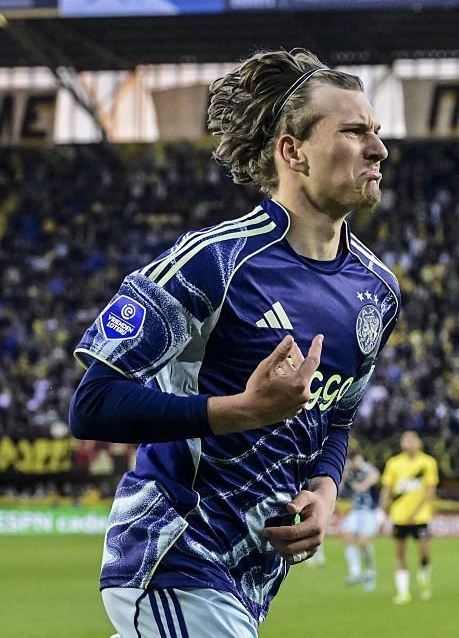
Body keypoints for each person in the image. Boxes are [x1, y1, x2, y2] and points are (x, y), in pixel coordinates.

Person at [68, 48, 401, 637]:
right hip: (174, 552)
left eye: (375, 131)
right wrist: (242, 410)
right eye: (353, 131)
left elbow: (338, 417)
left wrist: (325, 491)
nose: (378, 148)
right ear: (292, 151)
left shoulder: (378, 291)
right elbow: (92, 404)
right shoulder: (213, 262)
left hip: (249, 579)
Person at [379, 430, 439, 605]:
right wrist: (383, 509)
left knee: (424, 551)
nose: (409, 444)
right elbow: (387, 488)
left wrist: (416, 512)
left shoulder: (427, 462)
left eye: (412, 440)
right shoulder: (394, 463)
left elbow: (430, 491)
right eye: (406, 441)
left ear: (419, 442)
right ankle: (403, 592)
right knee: (400, 553)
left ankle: (424, 573)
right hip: (399, 516)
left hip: (420, 516)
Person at [339, 450, 382, 591]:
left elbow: (374, 477)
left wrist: (361, 484)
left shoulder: (368, 469)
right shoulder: (349, 471)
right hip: (356, 509)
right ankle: (355, 572)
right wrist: (344, 474)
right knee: (348, 537)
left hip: (370, 510)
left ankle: (370, 572)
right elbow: (340, 486)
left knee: (364, 542)